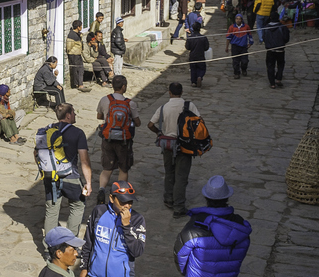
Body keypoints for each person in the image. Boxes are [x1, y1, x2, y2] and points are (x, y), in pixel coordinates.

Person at [38, 103, 94, 234]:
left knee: (51, 210)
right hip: (71, 176)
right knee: (77, 205)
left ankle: (49, 248)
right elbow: (84, 161)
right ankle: (70, 243)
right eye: (74, 112)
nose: (75, 115)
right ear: (68, 116)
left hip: (50, 176)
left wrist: (45, 170)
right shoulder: (78, 133)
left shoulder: (47, 130)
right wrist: (88, 183)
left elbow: (36, 154)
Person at [147, 83, 199, 217]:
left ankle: (168, 199)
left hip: (168, 144)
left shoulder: (164, 107)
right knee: (181, 176)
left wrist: (159, 132)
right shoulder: (189, 106)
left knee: (169, 172)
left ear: (169, 93)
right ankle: (179, 206)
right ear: (181, 92)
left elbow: (150, 124)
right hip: (184, 145)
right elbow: (198, 122)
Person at [95, 75, 140, 204]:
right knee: (123, 168)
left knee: (107, 168)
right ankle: (121, 193)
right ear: (124, 87)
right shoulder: (130, 103)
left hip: (108, 139)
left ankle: (102, 189)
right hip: (124, 141)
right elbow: (137, 122)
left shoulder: (105, 100)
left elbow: (99, 116)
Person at [262, 18, 290, 89]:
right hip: (280, 50)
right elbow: (286, 38)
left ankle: (272, 83)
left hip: (270, 50)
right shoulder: (283, 27)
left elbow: (264, 38)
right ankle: (278, 79)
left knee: (270, 66)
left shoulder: (266, 28)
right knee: (280, 65)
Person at [225, 12, 253, 79]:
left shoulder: (246, 27)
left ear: (242, 20)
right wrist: (227, 47)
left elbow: (250, 35)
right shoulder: (232, 27)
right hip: (235, 47)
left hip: (243, 47)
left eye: (239, 19)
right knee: (235, 61)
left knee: (244, 61)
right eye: (237, 19)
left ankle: (244, 69)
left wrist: (250, 43)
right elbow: (228, 38)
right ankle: (236, 73)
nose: (238, 20)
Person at [184, 23, 210, 88]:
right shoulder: (203, 38)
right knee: (202, 68)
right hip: (200, 56)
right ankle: (199, 76)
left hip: (192, 56)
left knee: (193, 69)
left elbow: (187, 47)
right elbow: (206, 48)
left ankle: (193, 82)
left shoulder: (190, 38)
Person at [67, 21, 86, 90]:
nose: (81, 27)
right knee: (76, 70)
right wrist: (72, 52)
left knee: (80, 69)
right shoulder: (72, 35)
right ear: (78, 27)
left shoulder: (78, 34)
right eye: (81, 26)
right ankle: (77, 84)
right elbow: (69, 46)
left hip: (78, 54)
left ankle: (80, 83)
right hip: (74, 55)